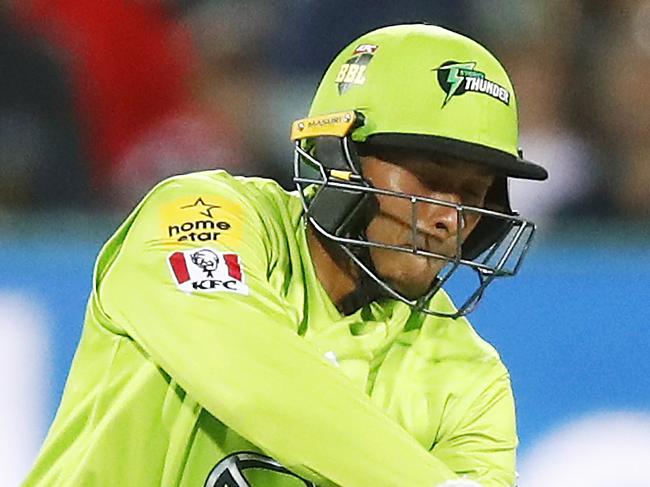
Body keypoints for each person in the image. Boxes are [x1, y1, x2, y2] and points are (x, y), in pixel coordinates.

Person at [23, 24, 547, 487]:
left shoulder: (469, 380)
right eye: (428, 180)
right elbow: (238, 361)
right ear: (336, 157)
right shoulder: (201, 215)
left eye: (472, 196)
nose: (448, 218)